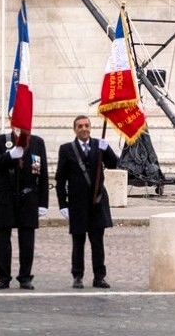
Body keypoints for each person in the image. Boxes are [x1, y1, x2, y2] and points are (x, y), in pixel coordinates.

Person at [55, 115, 118, 289]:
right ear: (74, 129)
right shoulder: (67, 149)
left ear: (91, 128)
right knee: (78, 242)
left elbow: (114, 164)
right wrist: (63, 204)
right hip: (77, 204)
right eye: (80, 126)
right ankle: (77, 276)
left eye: (87, 126)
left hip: (97, 202)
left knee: (97, 242)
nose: (84, 129)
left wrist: (108, 150)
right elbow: (60, 179)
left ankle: (99, 276)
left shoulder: (99, 145)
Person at [0, 121, 49, 290]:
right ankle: (3, 277)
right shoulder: (1, 141)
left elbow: (43, 174)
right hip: (5, 197)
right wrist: (10, 156)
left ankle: (25, 277)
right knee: (2, 240)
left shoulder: (38, 142)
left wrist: (43, 203)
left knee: (27, 240)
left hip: (29, 197)